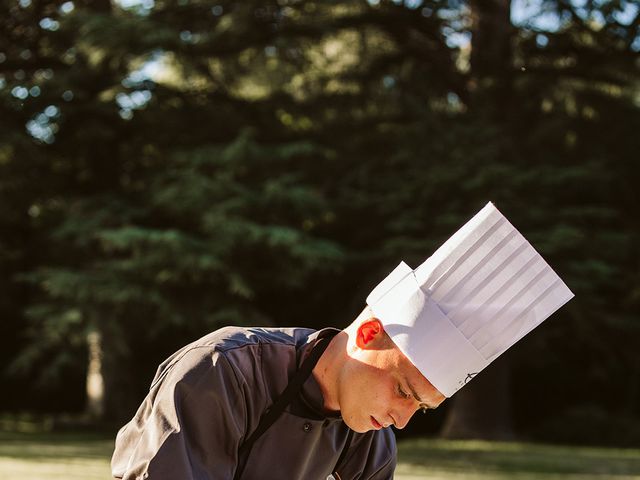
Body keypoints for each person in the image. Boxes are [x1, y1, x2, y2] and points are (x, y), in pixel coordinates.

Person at [112, 202, 573, 480]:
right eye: (403, 390)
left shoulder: (371, 438)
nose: (402, 420)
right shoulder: (223, 372)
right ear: (369, 333)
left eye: (422, 408)